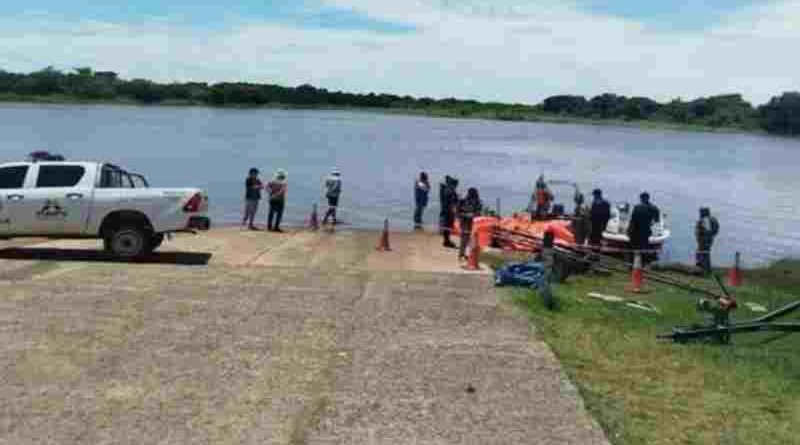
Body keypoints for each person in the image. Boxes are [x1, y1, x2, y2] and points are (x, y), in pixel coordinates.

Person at [457, 187, 482, 260]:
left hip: (473, 223)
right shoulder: (462, 201)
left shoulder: (477, 202)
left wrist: (473, 215)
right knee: (464, 239)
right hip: (464, 222)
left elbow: (478, 213)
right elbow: (458, 212)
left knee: (471, 239)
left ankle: (468, 255)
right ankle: (461, 254)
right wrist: (465, 215)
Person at [695, 207, 720, 275]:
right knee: (704, 254)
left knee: (702, 254)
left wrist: (702, 240)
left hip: (704, 241)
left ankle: (703, 271)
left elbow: (707, 232)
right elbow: (712, 231)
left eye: (701, 212)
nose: (700, 214)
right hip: (707, 240)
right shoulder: (710, 220)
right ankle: (704, 270)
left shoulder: (705, 220)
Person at [439, 175, 459, 248]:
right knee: (448, 226)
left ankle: (446, 240)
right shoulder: (449, 190)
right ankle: (446, 241)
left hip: (447, 211)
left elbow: (454, 200)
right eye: (455, 185)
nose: (455, 187)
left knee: (447, 226)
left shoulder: (446, 189)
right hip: (448, 211)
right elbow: (454, 201)